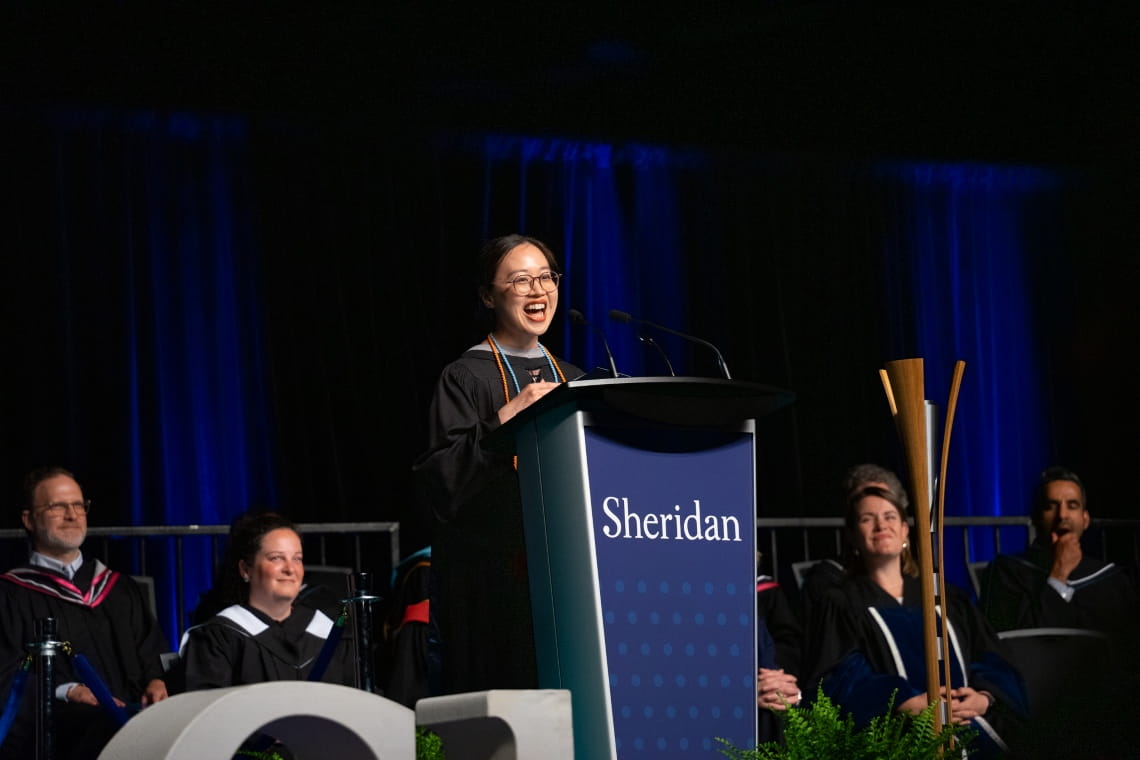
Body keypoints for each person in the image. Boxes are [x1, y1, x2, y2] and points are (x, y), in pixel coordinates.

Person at [412, 234, 582, 694]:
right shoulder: (464, 377)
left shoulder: (579, 380)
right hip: (490, 584)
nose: (538, 290)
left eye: (546, 277)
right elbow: (442, 480)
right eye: (521, 280)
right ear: (489, 296)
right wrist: (508, 415)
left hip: (569, 574)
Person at [804, 484, 1026, 758]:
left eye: (889, 516)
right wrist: (903, 701)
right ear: (852, 536)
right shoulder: (841, 603)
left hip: (971, 723)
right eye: (866, 518)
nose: (880, 525)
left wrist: (984, 697)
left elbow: (990, 655)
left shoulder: (945, 597)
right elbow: (839, 675)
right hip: (896, 734)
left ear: (905, 530)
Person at [0, 466, 169, 760]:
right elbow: (7, 678)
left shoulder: (119, 588)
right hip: (64, 735)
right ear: (28, 519)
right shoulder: (11, 594)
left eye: (78, 505)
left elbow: (151, 650)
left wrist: (156, 681)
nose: (72, 515)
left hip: (136, 727)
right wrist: (66, 690)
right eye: (57, 506)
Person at [179, 512, 355, 690]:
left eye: (297, 559)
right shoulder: (219, 638)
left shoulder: (328, 633)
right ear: (246, 569)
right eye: (276, 558)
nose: (290, 569)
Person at [979, 466, 1138, 635]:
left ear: (1085, 520)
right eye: (1050, 506)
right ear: (1036, 519)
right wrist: (1058, 576)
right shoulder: (1007, 573)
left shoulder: (1112, 579)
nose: (1062, 515)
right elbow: (1016, 644)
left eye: (1072, 505)